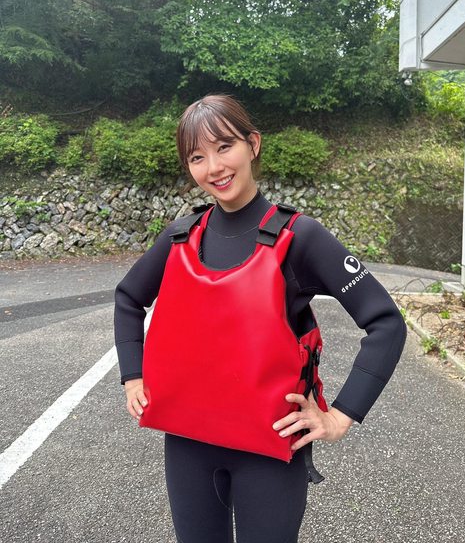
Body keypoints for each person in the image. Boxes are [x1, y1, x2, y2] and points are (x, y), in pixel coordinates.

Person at [114, 93, 407, 543]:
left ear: (252, 144)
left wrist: (340, 416)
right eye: (197, 157)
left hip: (269, 455)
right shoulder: (180, 236)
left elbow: (386, 322)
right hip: (187, 448)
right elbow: (128, 297)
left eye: (224, 147)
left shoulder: (301, 236)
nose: (214, 167)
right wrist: (133, 376)